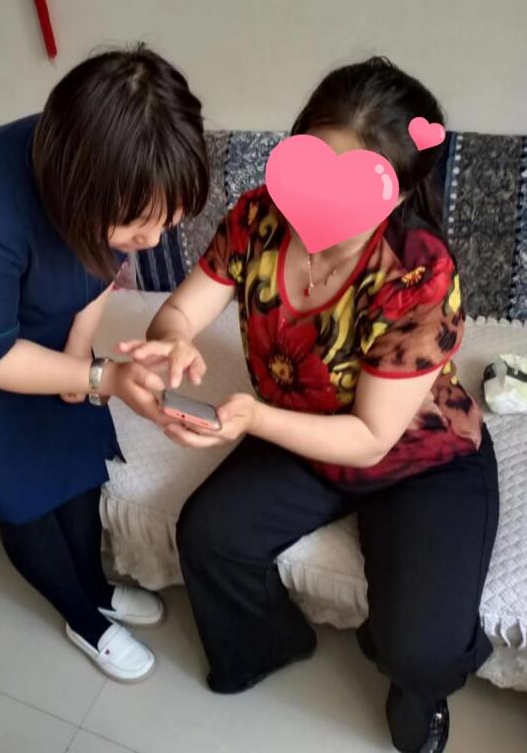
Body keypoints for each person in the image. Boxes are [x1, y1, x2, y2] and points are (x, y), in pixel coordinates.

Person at [123, 57, 498, 750]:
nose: (322, 202)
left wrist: (255, 417)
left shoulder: (418, 272)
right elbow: (178, 312)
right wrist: (170, 343)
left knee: (419, 648)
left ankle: (417, 687)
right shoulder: (258, 217)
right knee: (209, 537)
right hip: (301, 431)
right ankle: (272, 641)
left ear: (398, 191)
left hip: (415, 456)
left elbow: (371, 436)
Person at [0, 45, 208, 683]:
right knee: (20, 491)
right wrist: (99, 377)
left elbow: (102, 271)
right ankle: (81, 616)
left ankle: (94, 584)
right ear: (77, 193)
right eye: (138, 228)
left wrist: (78, 355)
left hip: (38, 318)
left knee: (71, 450)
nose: (152, 242)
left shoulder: (106, 170)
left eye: (164, 225)